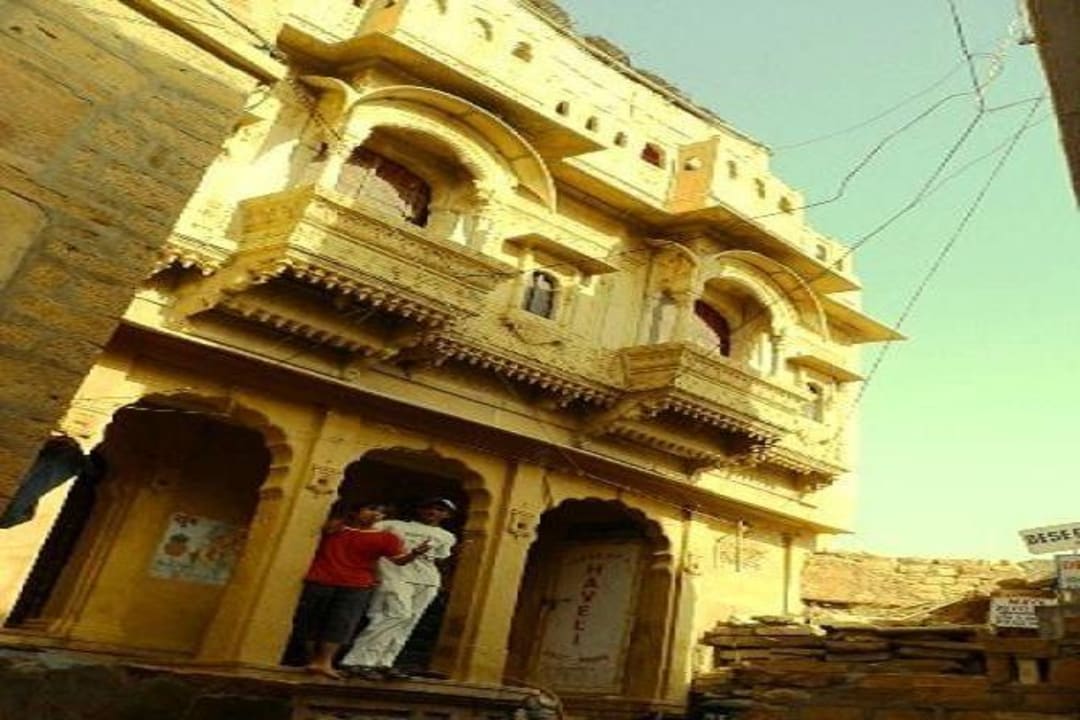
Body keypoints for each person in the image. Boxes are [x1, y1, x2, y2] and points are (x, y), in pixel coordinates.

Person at [291, 503, 431, 679]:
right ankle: (310, 661)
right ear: (356, 511)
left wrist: (416, 553)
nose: (376, 515)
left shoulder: (386, 538)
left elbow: (399, 561)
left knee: (341, 624)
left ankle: (325, 662)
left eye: (381, 513)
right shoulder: (335, 528)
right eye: (371, 509)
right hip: (321, 579)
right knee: (312, 621)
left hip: (356, 585)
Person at [341, 497, 458, 679]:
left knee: (408, 622)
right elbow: (361, 528)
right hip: (394, 575)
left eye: (439, 510)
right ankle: (357, 661)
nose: (433, 512)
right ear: (419, 509)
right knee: (394, 615)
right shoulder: (393, 525)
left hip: (427, 580)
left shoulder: (447, 536)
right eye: (429, 507)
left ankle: (384, 662)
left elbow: (441, 559)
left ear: (447, 515)